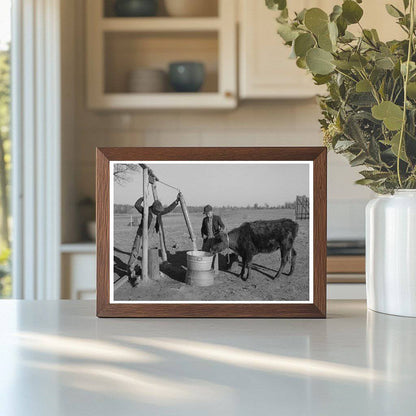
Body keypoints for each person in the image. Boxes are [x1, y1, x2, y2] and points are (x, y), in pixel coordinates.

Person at [128, 193, 181, 286]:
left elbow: (168, 209)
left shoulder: (159, 212)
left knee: (148, 252)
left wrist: (176, 202)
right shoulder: (146, 210)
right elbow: (136, 205)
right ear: (153, 208)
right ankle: (130, 268)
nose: (158, 213)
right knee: (135, 250)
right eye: (156, 211)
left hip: (149, 235)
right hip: (141, 234)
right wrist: (142, 198)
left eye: (159, 211)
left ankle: (147, 269)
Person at [201, 205, 225, 274]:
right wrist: (203, 235)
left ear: (211, 212)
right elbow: (202, 229)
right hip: (207, 239)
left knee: (214, 254)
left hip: (215, 239)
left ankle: (215, 270)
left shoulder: (217, 218)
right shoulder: (204, 220)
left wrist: (221, 229)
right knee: (204, 253)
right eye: (205, 213)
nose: (206, 214)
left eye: (207, 213)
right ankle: (205, 268)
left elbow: (223, 225)